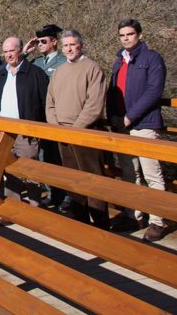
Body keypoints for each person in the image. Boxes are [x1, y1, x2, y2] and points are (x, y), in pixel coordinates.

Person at [107, 19, 168, 241]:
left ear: (139, 35)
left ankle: (157, 221)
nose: (126, 38)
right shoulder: (119, 62)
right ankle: (133, 215)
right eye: (122, 35)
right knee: (129, 173)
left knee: (152, 174)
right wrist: (114, 119)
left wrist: (130, 116)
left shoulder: (152, 59)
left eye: (130, 34)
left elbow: (154, 91)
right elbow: (113, 92)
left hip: (144, 124)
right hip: (122, 126)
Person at [46, 30, 109, 230]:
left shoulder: (92, 68)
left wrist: (76, 129)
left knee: (93, 179)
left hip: (86, 132)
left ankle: (100, 224)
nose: (69, 49)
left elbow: (94, 104)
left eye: (72, 45)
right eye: (65, 45)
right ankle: (80, 221)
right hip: (63, 133)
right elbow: (50, 102)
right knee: (72, 180)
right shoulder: (60, 72)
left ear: (80, 45)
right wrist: (56, 127)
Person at [0, 37, 49, 220]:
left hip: (26, 128)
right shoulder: (1, 74)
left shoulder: (35, 73)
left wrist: (37, 127)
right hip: (4, 129)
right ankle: (12, 209)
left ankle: (35, 208)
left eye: (12, 50)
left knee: (30, 168)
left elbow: (44, 102)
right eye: (6, 51)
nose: (9, 54)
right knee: (9, 169)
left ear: (21, 51)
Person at [23, 24, 68, 209]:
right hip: (41, 117)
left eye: (43, 41)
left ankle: (67, 198)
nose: (40, 44)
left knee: (61, 158)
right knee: (43, 157)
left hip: (59, 115)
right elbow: (17, 67)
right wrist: (25, 52)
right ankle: (52, 193)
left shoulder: (64, 61)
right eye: (38, 41)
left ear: (54, 41)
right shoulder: (36, 62)